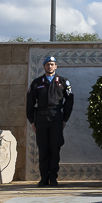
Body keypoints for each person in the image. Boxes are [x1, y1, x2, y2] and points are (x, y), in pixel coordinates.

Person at [26, 56, 74, 187]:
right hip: (41, 119)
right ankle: (43, 178)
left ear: (56, 66)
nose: (50, 66)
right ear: (44, 67)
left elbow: (69, 101)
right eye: (47, 64)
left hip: (56, 118)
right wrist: (31, 120)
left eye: (52, 64)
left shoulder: (63, 82)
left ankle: (53, 178)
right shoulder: (37, 83)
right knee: (43, 149)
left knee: (55, 148)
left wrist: (65, 119)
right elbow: (30, 102)